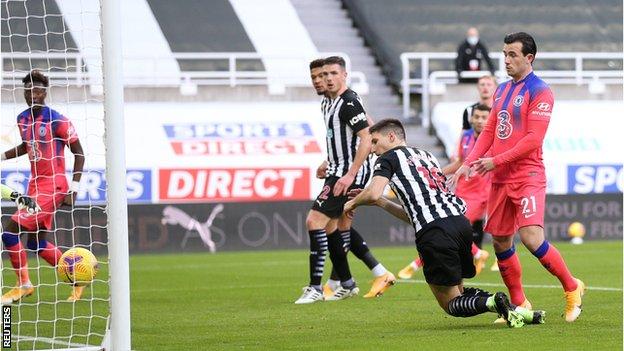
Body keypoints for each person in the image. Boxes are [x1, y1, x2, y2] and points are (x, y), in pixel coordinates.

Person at [344, 119, 543, 327]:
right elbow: (413, 213)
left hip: (435, 232)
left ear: (392, 137)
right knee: (461, 292)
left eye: (375, 142)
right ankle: (520, 311)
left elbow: (373, 191)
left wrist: (351, 203)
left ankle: (495, 301)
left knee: (450, 303)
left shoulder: (387, 158)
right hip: (460, 224)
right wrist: (381, 203)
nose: (372, 149)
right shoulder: (427, 157)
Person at [451, 32, 585, 322]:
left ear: (529, 58)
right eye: (504, 54)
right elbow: (488, 132)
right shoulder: (501, 90)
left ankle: (572, 287)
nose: (507, 60)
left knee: (531, 238)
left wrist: (494, 160)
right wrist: (469, 162)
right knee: (499, 240)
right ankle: (519, 303)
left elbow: (533, 140)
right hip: (500, 178)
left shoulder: (540, 91)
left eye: (512, 55)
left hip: (528, 175)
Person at [295, 57, 395, 304]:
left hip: (347, 176)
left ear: (344, 74)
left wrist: (350, 174)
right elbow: (349, 136)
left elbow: (364, 137)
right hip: (337, 170)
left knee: (314, 221)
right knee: (333, 229)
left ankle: (316, 287)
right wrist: (328, 160)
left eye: (330, 74)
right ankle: (348, 282)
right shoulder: (328, 103)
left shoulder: (348, 101)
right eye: (318, 76)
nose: (325, 79)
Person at [1, 70, 85, 304]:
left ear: (44, 92)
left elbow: (79, 153)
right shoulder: (22, 119)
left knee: (10, 231)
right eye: (28, 90)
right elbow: (26, 146)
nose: (32, 94)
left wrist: (74, 189)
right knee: (36, 244)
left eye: (37, 90)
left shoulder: (57, 119)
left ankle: (23, 285)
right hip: (35, 186)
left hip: (55, 186)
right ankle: (77, 280)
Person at [397, 104, 492, 280]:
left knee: (448, 230)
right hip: (462, 191)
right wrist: (437, 174)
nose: (479, 121)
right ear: (471, 119)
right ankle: (477, 254)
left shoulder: (492, 139)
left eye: (484, 117)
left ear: (490, 119)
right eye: (476, 117)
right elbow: (460, 163)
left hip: (480, 193)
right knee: (449, 230)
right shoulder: (465, 137)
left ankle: (417, 264)